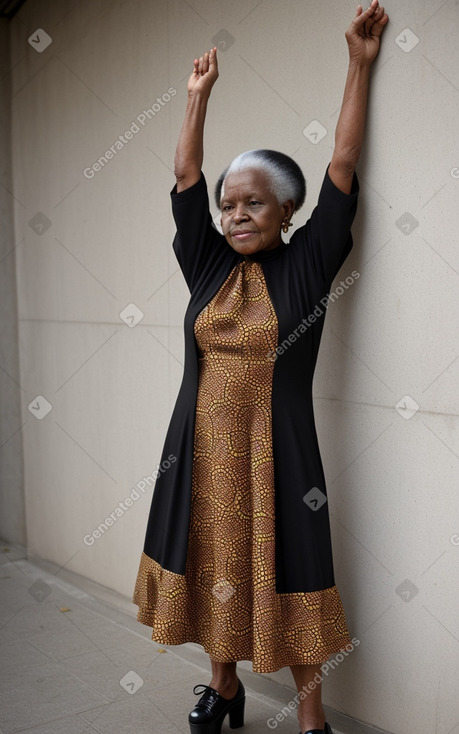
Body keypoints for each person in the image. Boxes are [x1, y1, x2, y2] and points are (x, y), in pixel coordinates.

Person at [133, 2, 388, 733]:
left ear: (287, 211)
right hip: (200, 455)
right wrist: (195, 98)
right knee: (212, 562)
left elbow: (341, 165)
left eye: (253, 204)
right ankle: (224, 687)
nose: (235, 215)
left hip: (277, 454)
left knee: (295, 569)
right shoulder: (208, 263)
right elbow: (184, 176)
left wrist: (357, 65)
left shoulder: (306, 263)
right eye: (228, 206)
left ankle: (310, 715)